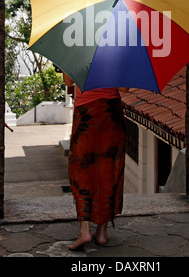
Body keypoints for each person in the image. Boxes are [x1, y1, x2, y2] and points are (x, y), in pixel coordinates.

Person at [63, 72, 128, 250]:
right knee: (108, 172)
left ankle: (85, 230)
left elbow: (68, 82)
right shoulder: (117, 50)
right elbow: (124, 88)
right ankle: (101, 232)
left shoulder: (75, 47)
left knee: (81, 170)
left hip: (86, 114)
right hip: (111, 113)